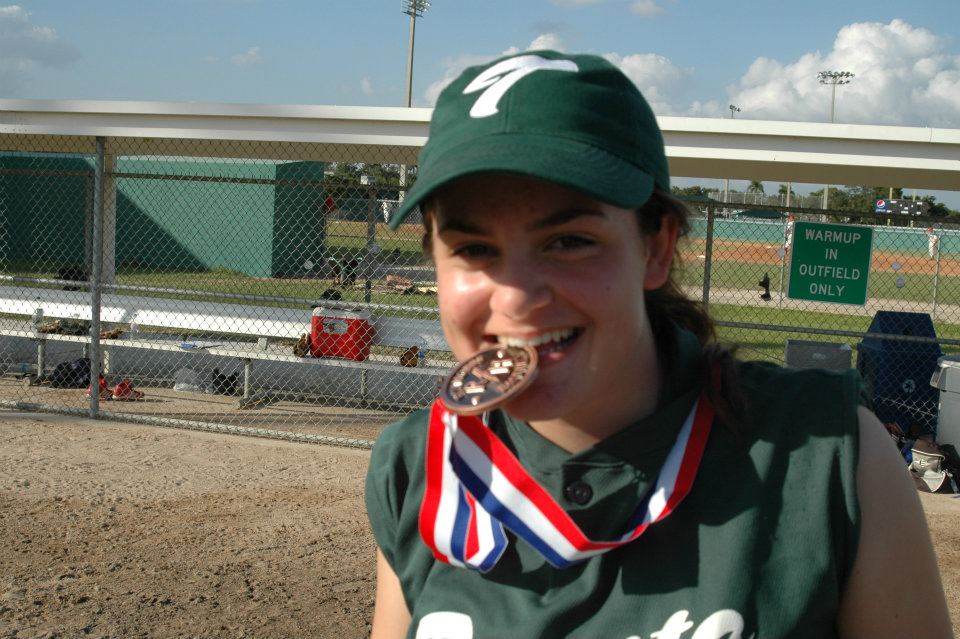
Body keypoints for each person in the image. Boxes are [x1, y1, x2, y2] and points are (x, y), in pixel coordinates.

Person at [365, 50, 951, 639]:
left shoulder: (829, 454)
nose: (515, 298)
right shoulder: (415, 467)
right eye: (472, 249)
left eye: (569, 241)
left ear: (657, 248)